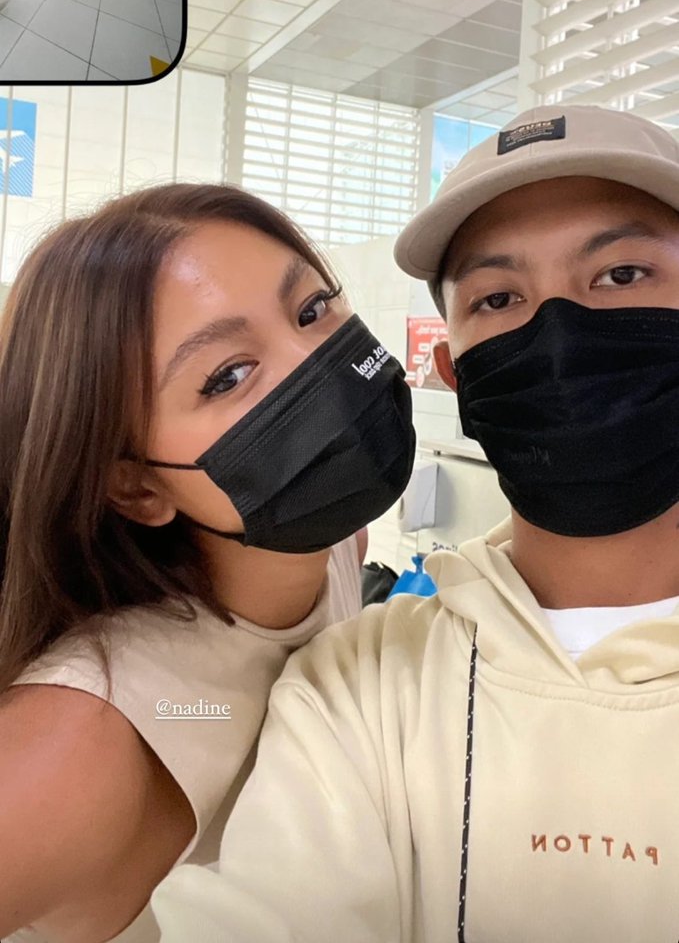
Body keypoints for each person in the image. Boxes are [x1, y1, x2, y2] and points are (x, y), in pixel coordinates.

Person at [152, 105, 679, 943]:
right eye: (498, 297)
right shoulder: (357, 686)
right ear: (451, 374)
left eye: (621, 274)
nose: (557, 333)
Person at [0, 181, 415, 943]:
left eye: (311, 311)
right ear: (136, 486)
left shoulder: (335, 549)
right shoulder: (84, 736)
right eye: (227, 375)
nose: (312, 366)